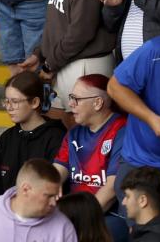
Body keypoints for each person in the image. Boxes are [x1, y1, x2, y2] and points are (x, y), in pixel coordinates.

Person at [108, 35, 160, 220]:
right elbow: (114, 87)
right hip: (140, 157)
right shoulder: (157, 50)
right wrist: (150, 118)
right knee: (137, 224)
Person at [0, 71, 67, 200]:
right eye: (6, 101)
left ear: (34, 102)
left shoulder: (56, 138)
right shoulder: (6, 138)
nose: (9, 107)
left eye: (15, 101)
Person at [54, 74, 126, 216]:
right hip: (74, 211)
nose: (71, 104)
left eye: (77, 99)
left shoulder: (122, 130)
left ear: (98, 103)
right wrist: (50, 185)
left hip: (108, 216)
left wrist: (84, 219)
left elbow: (112, 188)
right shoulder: (74, 132)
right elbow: (57, 171)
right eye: (71, 97)